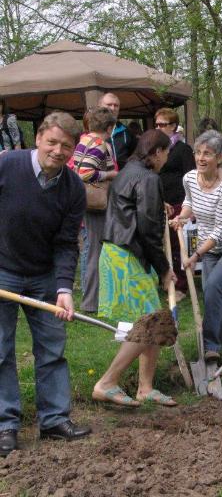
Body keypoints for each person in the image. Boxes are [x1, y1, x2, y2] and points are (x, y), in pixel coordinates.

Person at [0, 112, 91, 457]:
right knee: (0, 349)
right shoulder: (7, 166)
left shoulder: (73, 188)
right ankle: (5, 426)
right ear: (38, 138)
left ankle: (54, 419)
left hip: (43, 276)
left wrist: (64, 288)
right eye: (52, 142)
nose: (57, 151)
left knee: (52, 348)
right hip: (2, 268)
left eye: (66, 146)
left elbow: (67, 243)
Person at [92, 130, 177, 407]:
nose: (166, 159)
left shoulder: (128, 171)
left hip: (115, 251)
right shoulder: (149, 177)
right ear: (156, 153)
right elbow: (149, 231)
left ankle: (146, 387)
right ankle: (107, 382)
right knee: (153, 324)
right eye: (165, 153)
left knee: (148, 320)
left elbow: (130, 206)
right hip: (126, 257)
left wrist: (155, 201)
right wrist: (164, 269)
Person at [170, 130, 222, 373]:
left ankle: (210, 345)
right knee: (216, 298)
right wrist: (181, 218)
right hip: (210, 248)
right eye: (198, 152)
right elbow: (189, 202)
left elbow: (218, 233)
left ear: (220, 158)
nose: (201, 158)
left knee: (213, 287)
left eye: (207, 153)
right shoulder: (189, 178)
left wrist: (195, 256)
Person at [73, 107, 119, 313]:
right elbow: (84, 173)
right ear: (109, 127)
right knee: (94, 252)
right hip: (96, 204)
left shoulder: (84, 140)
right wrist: (109, 175)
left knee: (93, 249)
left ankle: (97, 298)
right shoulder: (100, 145)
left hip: (85, 201)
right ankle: (91, 302)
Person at [157, 108, 196, 294]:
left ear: (173, 126)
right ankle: (166, 281)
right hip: (160, 203)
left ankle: (181, 286)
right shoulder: (156, 148)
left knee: (178, 246)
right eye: (157, 124)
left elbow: (192, 178)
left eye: (163, 124)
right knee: (162, 245)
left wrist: (189, 207)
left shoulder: (183, 149)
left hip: (179, 204)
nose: (159, 128)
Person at [98, 92, 137, 170]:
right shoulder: (92, 132)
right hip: (100, 179)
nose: (113, 108)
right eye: (109, 104)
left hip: (124, 178)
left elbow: (135, 156)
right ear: (99, 107)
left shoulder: (127, 132)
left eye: (116, 105)